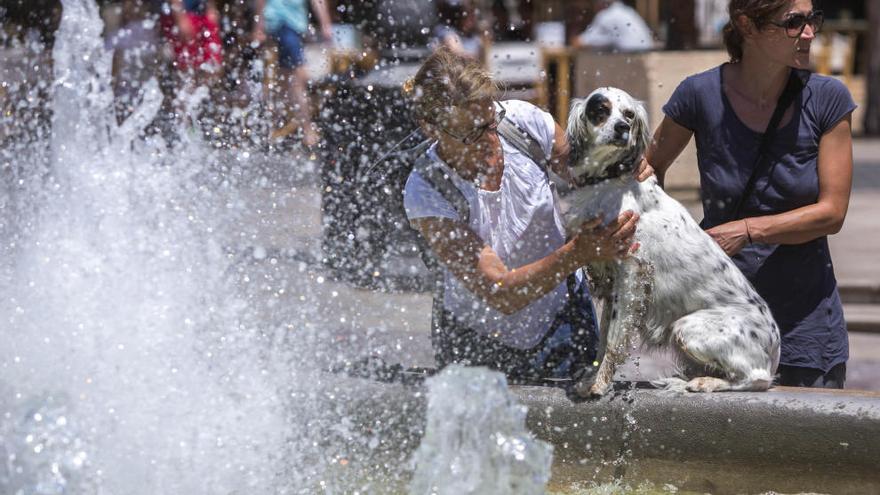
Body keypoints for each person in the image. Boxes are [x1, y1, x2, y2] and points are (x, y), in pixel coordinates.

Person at [402, 46, 650, 381]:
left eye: (491, 120)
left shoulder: (521, 123)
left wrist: (626, 165)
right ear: (431, 128)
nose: (489, 138)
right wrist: (580, 252)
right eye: (472, 132)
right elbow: (500, 292)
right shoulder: (427, 188)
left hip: (562, 321)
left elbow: (592, 174)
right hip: (476, 342)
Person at [644, 0, 854, 388]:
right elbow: (646, 176)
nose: (809, 33)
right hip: (719, 323)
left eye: (812, 20)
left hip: (806, 324)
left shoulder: (827, 98)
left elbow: (832, 213)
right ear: (748, 26)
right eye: (794, 22)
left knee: (807, 446)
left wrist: (747, 229)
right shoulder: (698, 95)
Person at [254, 0, 332, 148]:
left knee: (284, 79)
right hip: (282, 23)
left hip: (292, 25)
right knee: (298, 77)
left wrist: (325, 24)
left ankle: (273, 125)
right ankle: (307, 130)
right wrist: (259, 25)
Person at [159, 0, 223, 86]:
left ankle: (205, 93)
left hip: (202, 13)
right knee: (186, 64)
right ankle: (186, 93)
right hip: (184, 14)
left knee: (213, 63)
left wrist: (211, 7)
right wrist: (180, 17)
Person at [570, 0, 654, 52]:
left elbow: (585, 40)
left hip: (631, 55)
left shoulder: (607, 15)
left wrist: (578, 40)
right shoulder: (627, 11)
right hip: (645, 52)